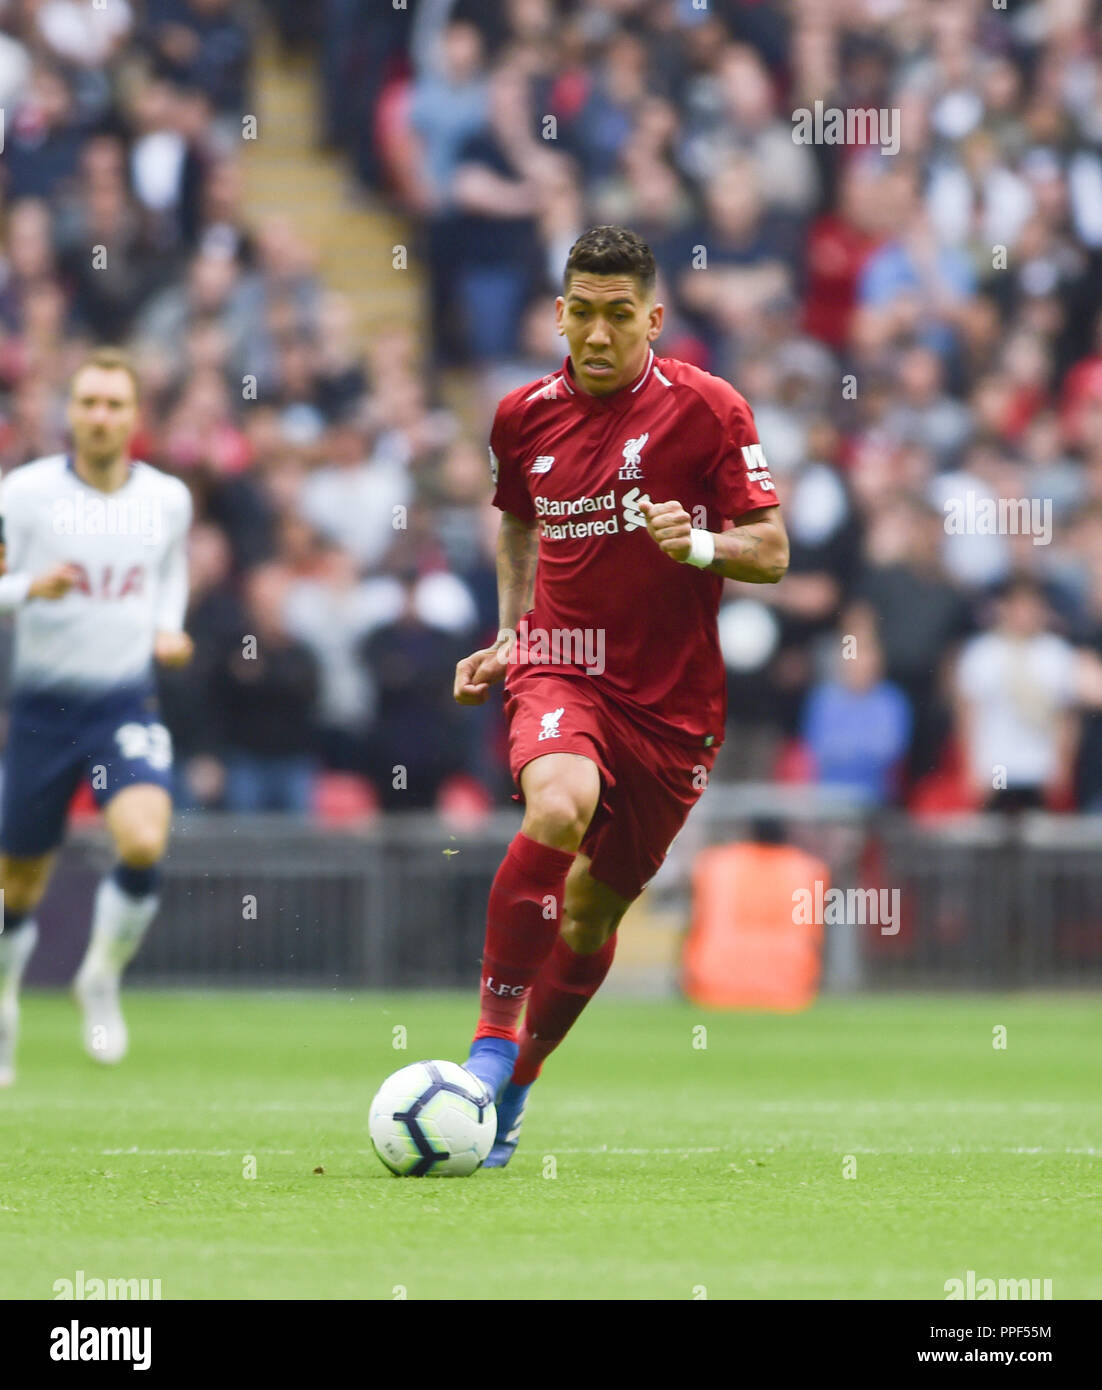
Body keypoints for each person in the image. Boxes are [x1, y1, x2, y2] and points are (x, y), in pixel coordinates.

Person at [451, 225, 789, 1165]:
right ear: (559, 315)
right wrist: (515, 633)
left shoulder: (710, 410)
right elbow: (516, 521)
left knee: (595, 913)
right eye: (582, 316)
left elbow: (772, 549)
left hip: (675, 709)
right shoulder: (521, 416)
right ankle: (487, 1046)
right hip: (562, 661)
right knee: (561, 800)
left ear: (653, 318)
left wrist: (699, 546)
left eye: (618, 317)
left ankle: (518, 1083)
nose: (597, 336)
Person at [0, 348, 193, 1084]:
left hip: (122, 700)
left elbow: (168, 570)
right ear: (70, 412)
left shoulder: (167, 499)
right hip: (43, 707)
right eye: (89, 403)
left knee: (143, 839)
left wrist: (168, 625)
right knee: (17, 884)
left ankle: (100, 976)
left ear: (136, 416)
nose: (101, 416)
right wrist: (25, 591)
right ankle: (5, 1005)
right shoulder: (25, 494)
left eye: (115, 403)